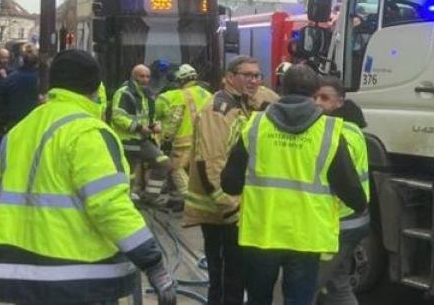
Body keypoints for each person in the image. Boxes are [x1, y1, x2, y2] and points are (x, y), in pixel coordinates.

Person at [0, 49, 176, 305]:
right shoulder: (88, 132)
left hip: (23, 274)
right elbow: (109, 206)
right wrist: (153, 262)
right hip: (78, 275)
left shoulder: (20, 130)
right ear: (96, 86)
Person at [221, 64, 367, 305]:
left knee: (258, 299)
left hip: (262, 233)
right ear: (314, 93)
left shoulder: (255, 126)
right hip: (306, 238)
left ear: (281, 89)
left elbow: (229, 184)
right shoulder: (329, 132)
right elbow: (354, 196)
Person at [183, 55, 263, 305]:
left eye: (257, 75)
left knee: (237, 278)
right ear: (229, 77)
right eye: (246, 75)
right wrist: (230, 207)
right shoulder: (219, 110)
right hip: (221, 215)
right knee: (225, 280)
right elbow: (211, 162)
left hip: (238, 210)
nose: (253, 80)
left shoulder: (244, 104)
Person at [313, 76, 370, 305]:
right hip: (349, 221)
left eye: (325, 98)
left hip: (339, 222)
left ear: (340, 103)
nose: (317, 102)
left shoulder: (337, 133)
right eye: (314, 96)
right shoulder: (349, 128)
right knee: (336, 284)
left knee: (309, 285)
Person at [155, 64, 211, 211]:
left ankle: (190, 201)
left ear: (179, 80)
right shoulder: (207, 94)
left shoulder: (174, 95)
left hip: (183, 141)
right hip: (205, 140)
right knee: (196, 172)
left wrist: (166, 138)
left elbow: (173, 119)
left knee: (176, 169)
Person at [110, 64, 169, 203]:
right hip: (127, 141)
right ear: (133, 76)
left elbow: (149, 117)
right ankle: (125, 198)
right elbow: (117, 116)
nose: (146, 79)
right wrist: (138, 127)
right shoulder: (124, 93)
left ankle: (150, 197)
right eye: (142, 76)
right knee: (128, 171)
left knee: (163, 163)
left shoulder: (148, 94)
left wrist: (155, 125)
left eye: (148, 76)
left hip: (142, 140)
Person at [1, 44, 39, 131]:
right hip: (36, 127)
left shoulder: (10, 79)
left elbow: (3, 105)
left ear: (21, 58)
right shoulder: (43, 80)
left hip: (14, 126)